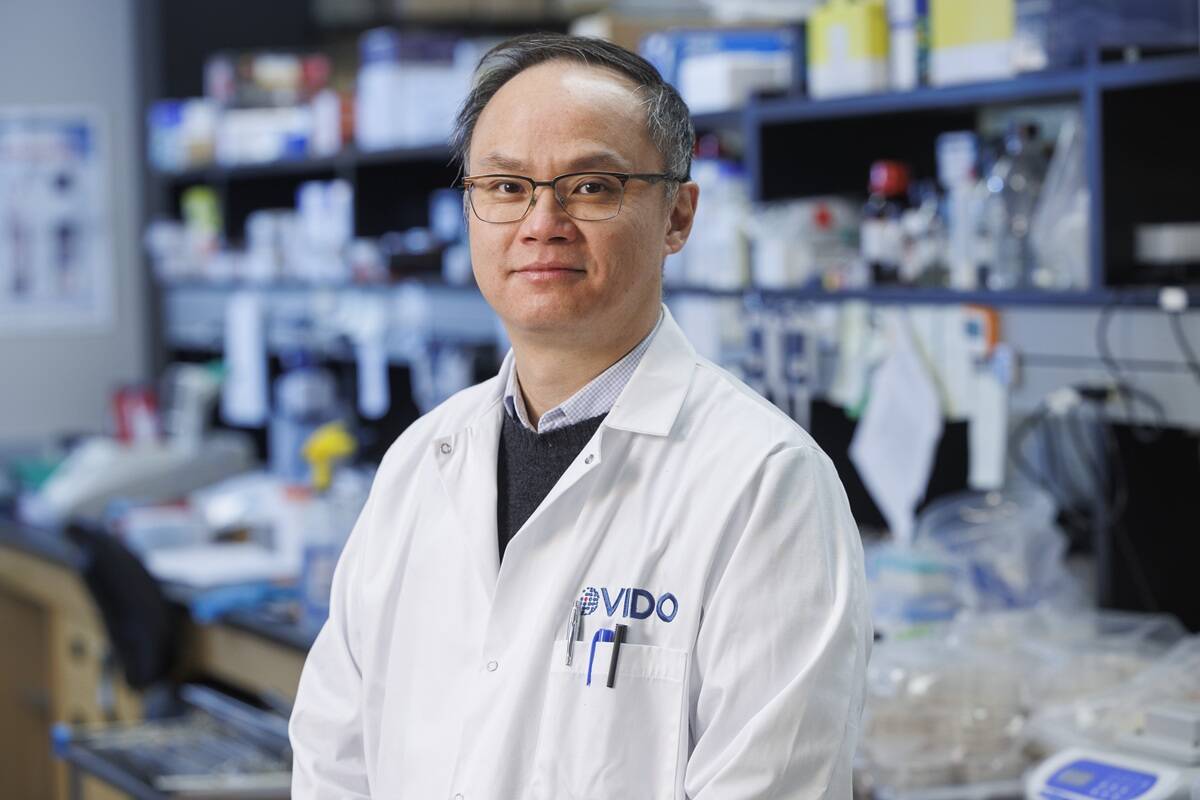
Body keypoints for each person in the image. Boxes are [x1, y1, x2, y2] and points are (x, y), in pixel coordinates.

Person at [289, 32, 871, 799]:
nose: (542, 222)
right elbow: (333, 758)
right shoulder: (420, 461)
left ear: (678, 216)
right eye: (504, 186)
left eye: (592, 187)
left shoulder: (766, 486)